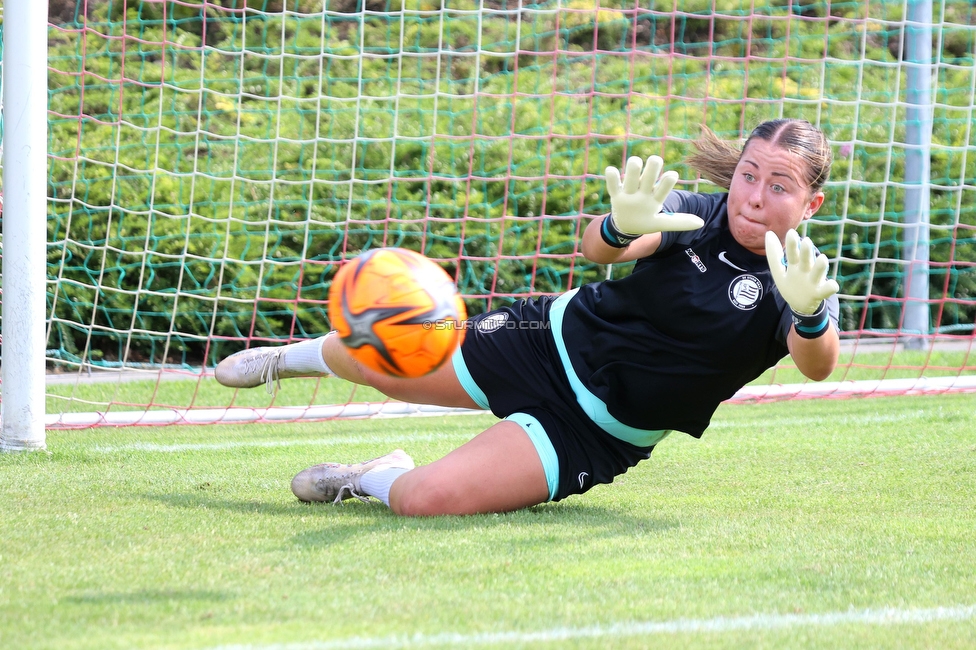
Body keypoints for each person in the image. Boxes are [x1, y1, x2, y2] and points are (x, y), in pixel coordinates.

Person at [215, 118, 841, 517]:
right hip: (541, 340)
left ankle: (375, 477)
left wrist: (810, 316)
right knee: (380, 353)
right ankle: (283, 359)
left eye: (779, 186)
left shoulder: (804, 280)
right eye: (748, 175)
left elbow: (817, 365)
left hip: (596, 432)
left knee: (425, 500)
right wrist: (620, 224)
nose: (754, 197)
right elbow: (599, 248)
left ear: (809, 203)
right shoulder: (698, 215)